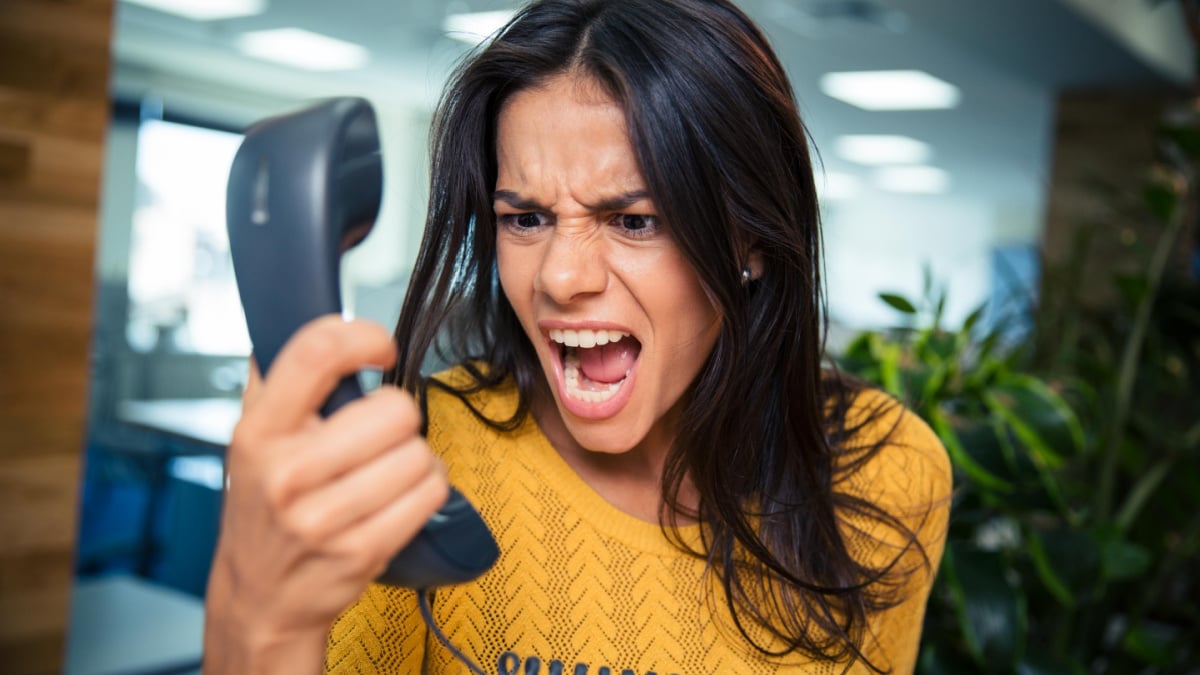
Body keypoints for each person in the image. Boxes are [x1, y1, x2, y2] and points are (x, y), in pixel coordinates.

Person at [202, 0, 952, 673]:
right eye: (525, 218)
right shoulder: (414, 465)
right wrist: (261, 622)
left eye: (635, 220)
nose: (560, 277)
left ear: (750, 241)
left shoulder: (887, 472)